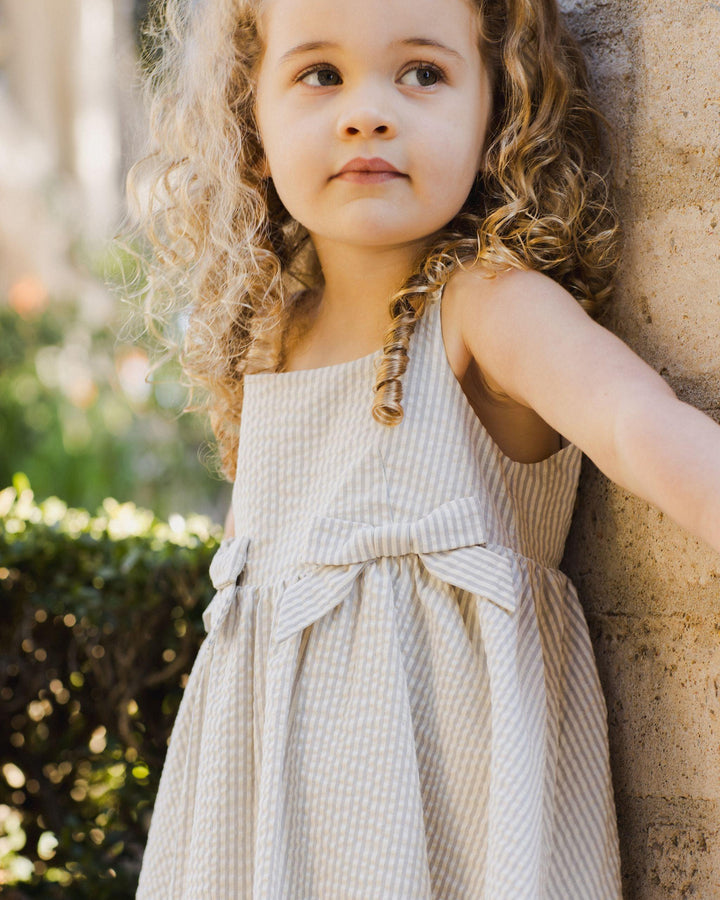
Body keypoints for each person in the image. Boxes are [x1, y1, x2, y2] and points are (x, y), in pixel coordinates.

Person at [129, 0, 720, 896]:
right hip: (269, 840)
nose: (368, 112)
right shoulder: (268, 344)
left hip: (450, 829)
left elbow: (641, 428)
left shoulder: (489, 307)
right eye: (320, 74)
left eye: (422, 73)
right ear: (251, 122)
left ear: (499, 112)